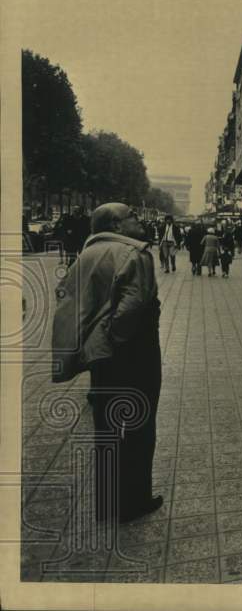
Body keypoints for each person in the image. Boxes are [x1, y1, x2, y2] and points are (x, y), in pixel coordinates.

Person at [50, 203, 163, 524]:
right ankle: (135, 500)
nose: (139, 218)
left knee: (107, 429)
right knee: (139, 425)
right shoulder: (135, 253)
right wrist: (115, 335)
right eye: (132, 215)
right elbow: (134, 304)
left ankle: (108, 502)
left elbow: (67, 296)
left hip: (99, 356)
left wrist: (98, 340)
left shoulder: (86, 254)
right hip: (133, 352)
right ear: (116, 223)